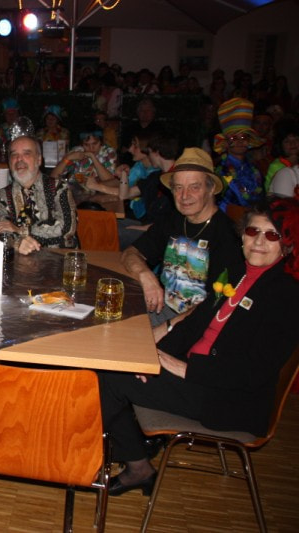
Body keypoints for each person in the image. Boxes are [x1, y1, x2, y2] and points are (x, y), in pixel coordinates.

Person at [99, 197, 299, 497]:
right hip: (199, 374)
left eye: (272, 235)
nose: (258, 241)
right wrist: (153, 355)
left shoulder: (287, 296)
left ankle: (109, 459)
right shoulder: (237, 271)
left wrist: (182, 368)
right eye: (252, 231)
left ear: (288, 244)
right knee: (117, 360)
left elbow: (254, 371)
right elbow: (194, 324)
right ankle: (129, 456)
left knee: (111, 377)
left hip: (229, 397)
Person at [121, 147, 243, 328]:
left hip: (197, 324)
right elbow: (130, 253)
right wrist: (145, 274)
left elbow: (216, 305)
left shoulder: (228, 236)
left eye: (194, 187)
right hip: (161, 308)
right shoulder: (173, 220)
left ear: (211, 189)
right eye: (178, 188)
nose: (184, 196)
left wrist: (167, 328)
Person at [0, 135, 77, 252]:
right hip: (19, 259)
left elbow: (67, 227)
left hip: (60, 258)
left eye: (26, 153)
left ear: (39, 160)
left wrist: (21, 230)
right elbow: (2, 230)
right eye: (14, 155)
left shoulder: (58, 188)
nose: (19, 159)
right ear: (9, 162)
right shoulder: (1, 196)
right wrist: (18, 243)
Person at [213, 98, 265, 212]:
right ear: (226, 143)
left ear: (249, 142)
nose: (240, 142)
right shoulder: (221, 170)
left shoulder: (254, 169)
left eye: (243, 137)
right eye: (234, 138)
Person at [50, 128, 117, 204]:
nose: (91, 148)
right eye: (86, 145)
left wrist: (93, 157)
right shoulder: (77, 151)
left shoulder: (108, 152)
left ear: (101, 142)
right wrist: (67, 158)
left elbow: (109, 181)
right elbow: (53, 177)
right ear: (82, 144)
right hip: (74, 192)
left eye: (95, 143)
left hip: (98, 193)